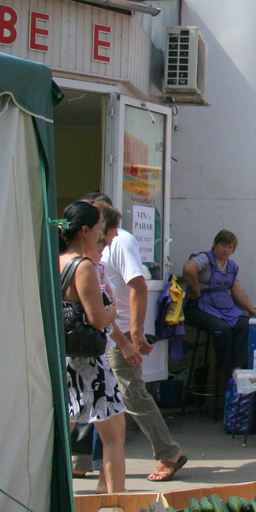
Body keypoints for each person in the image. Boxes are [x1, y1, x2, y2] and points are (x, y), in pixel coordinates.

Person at [83, 193, 187, 483]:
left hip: (118, 333)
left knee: (132, 395)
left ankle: (169, 453)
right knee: (93, 395)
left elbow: (138, 285)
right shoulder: (89, 248)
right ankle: (84, 459)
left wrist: (134, 334)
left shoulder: (122, 241)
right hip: (102, 334)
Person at [58, 200, 127, 494]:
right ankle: (117, 499)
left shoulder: (57, 260)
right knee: (113, 435)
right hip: (88, 362)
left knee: (65, 429)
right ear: (84, 230)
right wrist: (112, 311)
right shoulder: (82, 266)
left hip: (65, 357)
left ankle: (58, 495)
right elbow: (98, 319)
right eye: (98, 230)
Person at [183, 229, 256, 381]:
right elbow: (188, 268)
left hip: (224, 307)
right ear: (215, 245)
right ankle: (223, 371)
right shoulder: (204, 258)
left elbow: (237, 290)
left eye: (230, 247)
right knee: (222, 330)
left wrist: (252, 310)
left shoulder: (231, 266)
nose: (226, 249)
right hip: (200, 306)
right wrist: (196, 289)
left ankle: (238, 367)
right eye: (223, 245)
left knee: (245, 324)